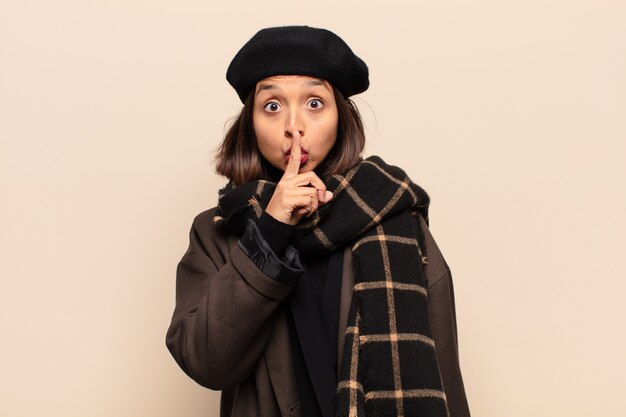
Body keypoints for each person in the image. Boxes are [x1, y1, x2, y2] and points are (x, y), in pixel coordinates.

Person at [166, 25, 471, 417]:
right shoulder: (218, 230)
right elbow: (207, 361)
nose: (294, 125)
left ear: (341, 117)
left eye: (314, 103)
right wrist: (271, 228)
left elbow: (443, 374)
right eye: (272, 106)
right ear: (251, 124)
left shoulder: (393, 216)